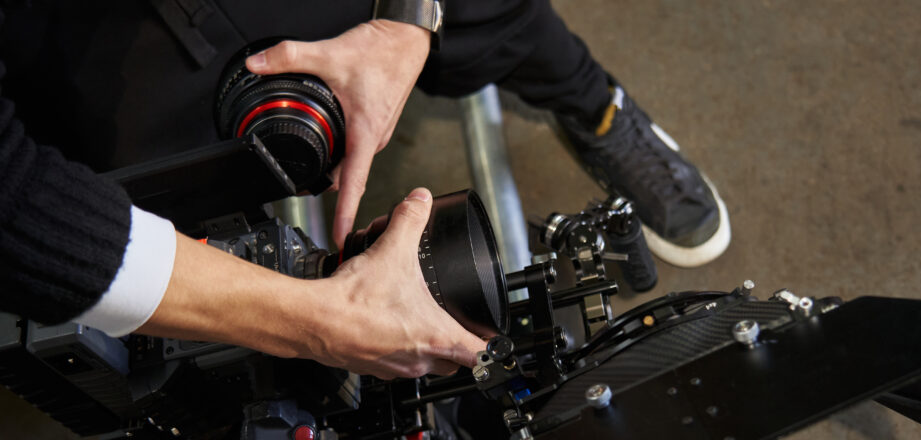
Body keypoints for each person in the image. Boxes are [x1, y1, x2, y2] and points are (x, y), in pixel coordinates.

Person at [0, 0, 728, 378]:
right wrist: (308, 319)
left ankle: (593, 103)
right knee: (147, 238)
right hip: (54, 57)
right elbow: (14, 202)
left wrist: (403, 25)